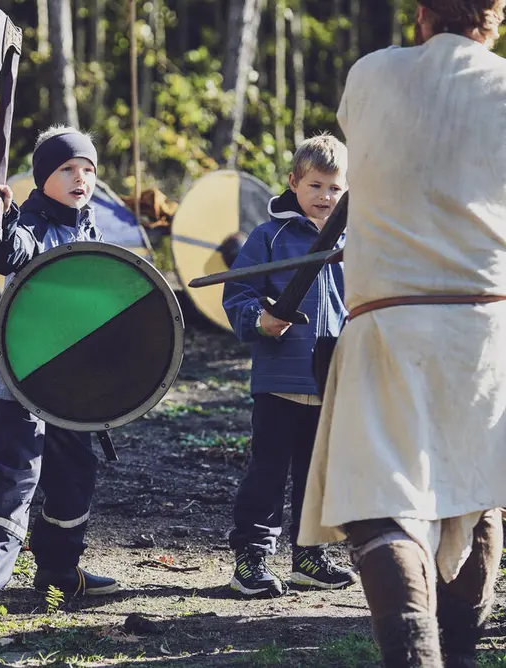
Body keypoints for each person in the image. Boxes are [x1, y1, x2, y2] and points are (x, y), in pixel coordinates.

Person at [298, 2, 506, 665]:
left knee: (377, 503)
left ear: (421, 13)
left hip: (386, 322)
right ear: (495, 18)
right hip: (481, 328)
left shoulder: (370, 74)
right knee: (473, 492)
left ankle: (417, 655)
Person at [0, 126, 118, 620]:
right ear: (43, 177)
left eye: (87, 169)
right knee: (19, 476)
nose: (80, 178)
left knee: (73, 475)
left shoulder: (89, 230)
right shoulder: (29, 224)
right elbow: (4, 253)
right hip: (22, 376)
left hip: (71, 380)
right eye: (67, 169)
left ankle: (60, 571)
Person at [222, 134, 358, 598]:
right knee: (268, 471)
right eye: (315, 185)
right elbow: (238, 295)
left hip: (331, 378)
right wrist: (259, 320)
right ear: (294, 182)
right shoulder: (270, 237)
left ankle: (309, 556)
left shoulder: (354, 241)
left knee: (317, 475)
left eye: (335, 188)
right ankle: (252, 558)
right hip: (280, 379)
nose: (325, 197)